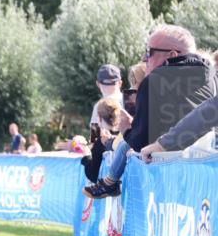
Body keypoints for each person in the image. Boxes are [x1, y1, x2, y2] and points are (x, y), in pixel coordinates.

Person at [86, 25, 216, 198]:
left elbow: (140, 143)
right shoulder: (212, 79)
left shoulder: (154, 82)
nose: (143, 58)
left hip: (163, 183)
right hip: (204, 181)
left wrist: (126, 128)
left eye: (149, 52)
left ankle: (109, 183)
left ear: (172, 55)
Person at [89, 64, 123, 129]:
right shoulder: (131, 101)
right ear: (120, 83)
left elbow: (94, 136)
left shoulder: (98, 107)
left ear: (98, 84)